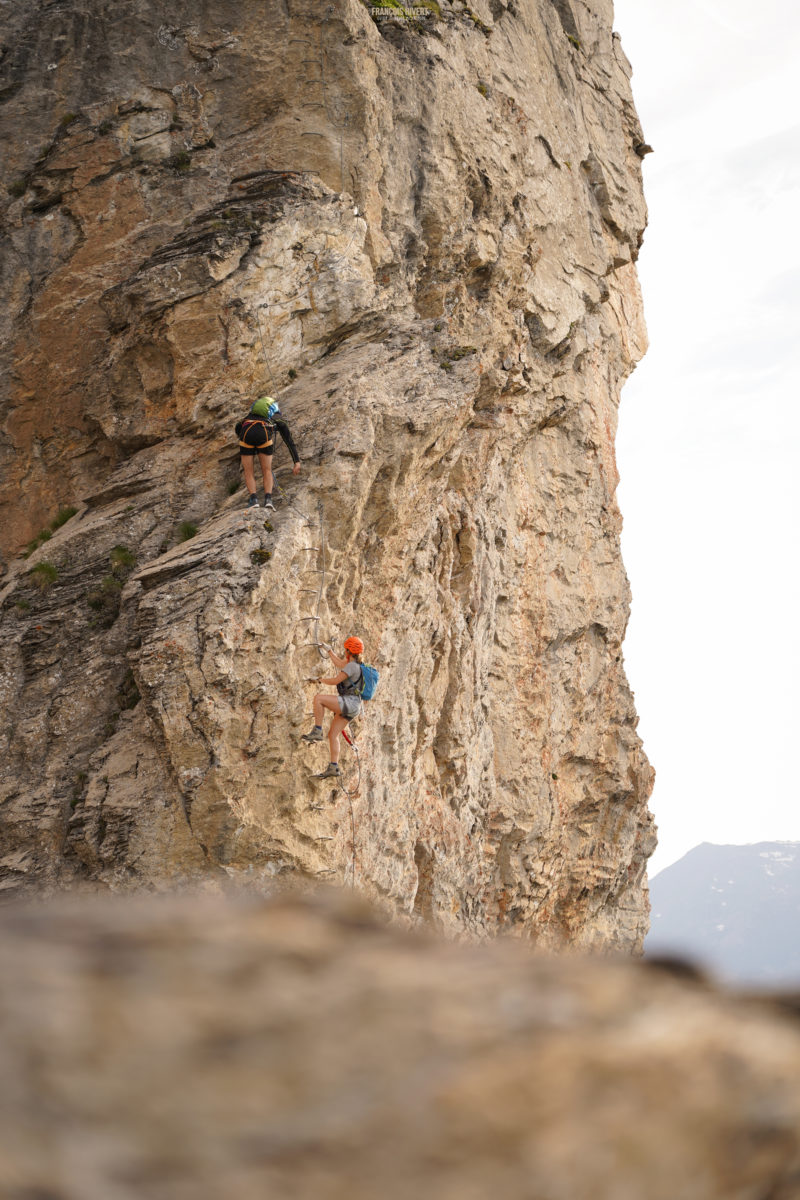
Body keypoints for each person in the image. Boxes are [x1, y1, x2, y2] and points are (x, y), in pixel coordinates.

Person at [301, 636, 365, 779]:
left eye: (345, 649)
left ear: (348, 650)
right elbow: (340, 663)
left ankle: (317, 730)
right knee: (333, 735)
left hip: (349, 702)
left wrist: (319, 680)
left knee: (319, 699)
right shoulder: (355, 665)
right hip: (355, 707)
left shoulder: (352, 666)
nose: (344, 652)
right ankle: (333, 767)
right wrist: (329, 651)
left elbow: (336, 680)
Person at [236, 395, 301, 509]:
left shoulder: (250, 415)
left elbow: (238, 426)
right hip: (263, 435)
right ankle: (268, 500)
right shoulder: (277, 417)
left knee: (248, 471)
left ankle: (254, 499)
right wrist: (296, 461)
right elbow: (288, 440)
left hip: (246, 433)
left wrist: (242, 438)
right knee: (267, 470)